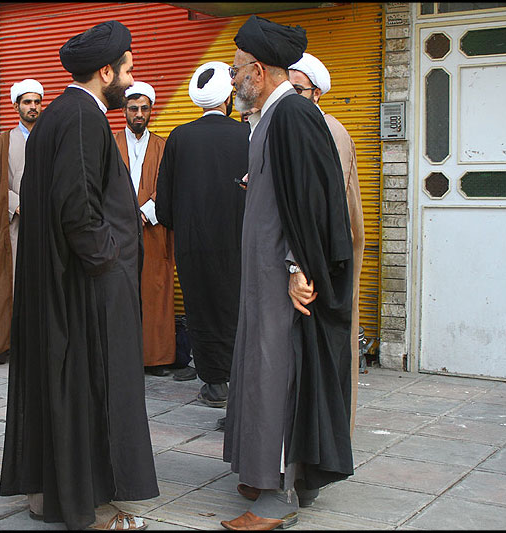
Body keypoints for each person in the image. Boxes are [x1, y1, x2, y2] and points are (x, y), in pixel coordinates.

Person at [0, 20, 158, 531]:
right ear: (105, 72)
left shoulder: (55, 116)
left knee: (59, 388)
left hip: (56, 282)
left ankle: (50, 493)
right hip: (83, 287)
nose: (132, 80)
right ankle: (90, 508)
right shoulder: (85, 117)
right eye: (128, 70)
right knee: (89, 393)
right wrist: (110, 259)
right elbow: (78, 209)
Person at [221, 16, 355, 531]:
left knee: (280, 376)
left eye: (236, 72)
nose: (232, 81)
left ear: (258, 70)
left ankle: (279, 499)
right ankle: (259, 472)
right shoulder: (270, 118)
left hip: (284, 278)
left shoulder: (294, 114)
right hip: (263, 274)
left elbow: (316, 202)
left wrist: (301, 266)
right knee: (258, 372)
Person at [155, 61, 249, 407]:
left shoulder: (179, 137)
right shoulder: (248, 134)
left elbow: (163, 205)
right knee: (236, 309)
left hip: (193, 246)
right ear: (228, 99)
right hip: (239, 243)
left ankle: (214, 383)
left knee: (201, 310)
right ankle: (240, 381)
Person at [288, 52, 365, 436]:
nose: (290, 94)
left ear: (317, 93)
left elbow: (323, 208)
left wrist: (303, 265)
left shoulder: (328, 130)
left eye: (298, 89)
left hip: (322, 262)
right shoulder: (294, 126)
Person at [0, 79, 44, 371]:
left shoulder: (50, 136)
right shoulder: (3, 141)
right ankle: (1, 346)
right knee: (10, 283)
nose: (32, 107)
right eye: (27, 102)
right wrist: (19, 204)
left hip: (46, 225)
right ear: (16, 106)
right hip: (14, 225)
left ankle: (39, 347)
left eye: (37, 102)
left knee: (43, 286)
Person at [114, 81, 175, 377]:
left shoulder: (164, 146)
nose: (139, 114)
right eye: (133, 108)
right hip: (118, 231)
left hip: (153, 229)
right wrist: (126, 215)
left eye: (144, 109)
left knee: (155, 291)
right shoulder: (111, 144)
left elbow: (168, 186)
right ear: (124, 111)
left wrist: (145, 213)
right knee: (120, 292)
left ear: (151, 111)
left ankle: (156, 358)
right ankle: (123, 357)